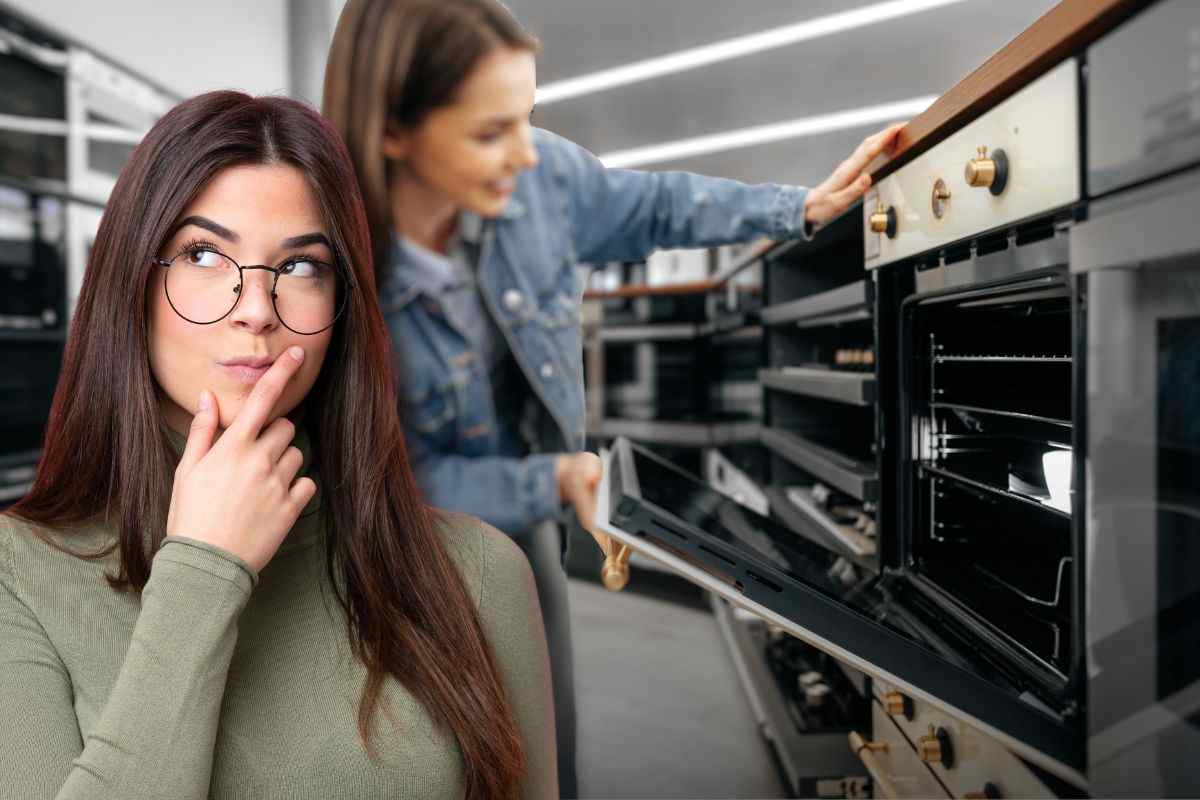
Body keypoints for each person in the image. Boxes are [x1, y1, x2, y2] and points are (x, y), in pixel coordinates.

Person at [323, 2, 901, 795]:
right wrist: (551, 480)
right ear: (395, 133)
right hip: (397, 552)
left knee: (540, 747)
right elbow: (369, 471)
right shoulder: (333, 258)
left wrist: (798, 208)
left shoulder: (542, 177)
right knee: (421, 756)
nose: (525, 156)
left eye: (526, 117)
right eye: (491, 131)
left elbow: (659, 204)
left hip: (527, 537)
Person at [0, 92, 555, 800]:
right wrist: (205, 569)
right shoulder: (18, 573)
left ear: (342, 305)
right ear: (131, 285)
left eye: (299, 268)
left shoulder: (476, 572)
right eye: (203, 254)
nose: (256, 310)